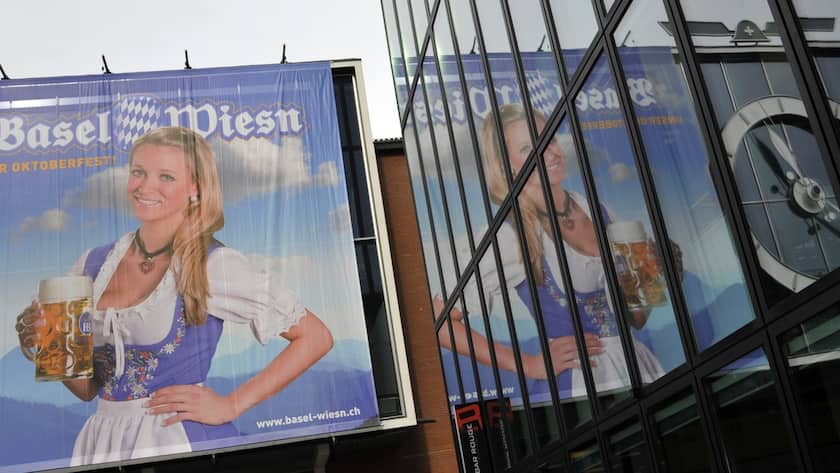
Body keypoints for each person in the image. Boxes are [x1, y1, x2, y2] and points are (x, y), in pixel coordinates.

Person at [15, 126, 334, 465]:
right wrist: (41, 346)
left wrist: (230, 405)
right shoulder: (91, 263)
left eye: (165, 176)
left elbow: (315, 337)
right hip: (102, 441)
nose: (145, 186)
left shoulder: (212, 264)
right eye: (138, 172)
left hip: (176, 439)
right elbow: (88, 389)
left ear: (195, 189)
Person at [436, 103, 664, 401]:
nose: (551, 152)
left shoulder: (599, 210)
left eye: (550, 139)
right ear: (507, 166)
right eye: (530, 147)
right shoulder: (509, 234)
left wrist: (651, 272)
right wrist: (529, 364)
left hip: (638, 365)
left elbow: (636, 319)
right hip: (583, 383)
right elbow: (439, 322)